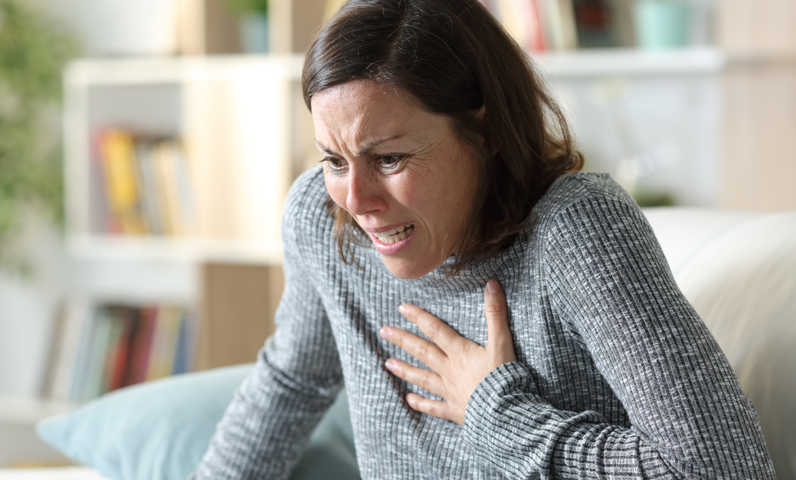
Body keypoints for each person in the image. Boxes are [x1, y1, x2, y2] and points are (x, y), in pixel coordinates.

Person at [191, 0, 775, 478]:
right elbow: (291, 383)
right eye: (334, 160)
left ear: (487, 128)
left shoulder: (575, 232)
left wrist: (497, 412)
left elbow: (721, 467)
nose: (356, 200)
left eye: (389, 158)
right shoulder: (322, 220)